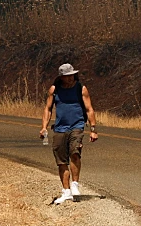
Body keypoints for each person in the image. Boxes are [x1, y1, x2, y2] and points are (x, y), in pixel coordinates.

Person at [40, 63, 98, 204]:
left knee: (75, 153)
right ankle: (66, 191)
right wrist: (44, 127)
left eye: (72, 75)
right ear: (61, 77)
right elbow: (48, 109)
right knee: (61, 161)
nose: (70, 78)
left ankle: (75, 184)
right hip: (59, 128)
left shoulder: (81, 88)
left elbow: (89, 109)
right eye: (67, 76)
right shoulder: (54, 90)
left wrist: (93, 129)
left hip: (77, 126)